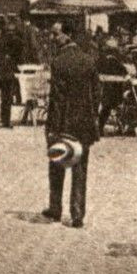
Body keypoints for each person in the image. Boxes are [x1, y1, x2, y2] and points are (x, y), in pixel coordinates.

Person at [41, 24, 100, 227]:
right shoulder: (89, 61)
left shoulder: (58, 62)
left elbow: (57, 98)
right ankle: (77, 214)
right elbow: (97, 94)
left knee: (57, 163)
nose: (53, 37)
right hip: (84, 123)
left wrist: (52, 127)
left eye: (57, 34)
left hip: (63, 120)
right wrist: (93, 118)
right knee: (80, 168)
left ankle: (55, 208)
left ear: (68, 35)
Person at [95, 37, 133, 134]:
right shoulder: (117, 62)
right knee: (116, 108)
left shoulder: (100, 61)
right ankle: (120, 128)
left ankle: (100, 127)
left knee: (105, 109)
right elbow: (126, 74)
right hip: (116, 92)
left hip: (104, 92)